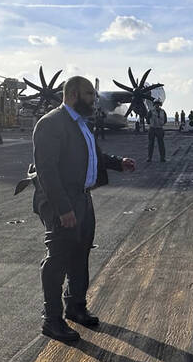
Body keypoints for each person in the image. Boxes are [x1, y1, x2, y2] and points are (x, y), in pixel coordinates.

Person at [32, 75, 135, 343]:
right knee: (57, 260)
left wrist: (117, 162)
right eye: (90, 94)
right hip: (62, 201)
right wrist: (63, 208)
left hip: (83, 198)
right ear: (73, 95)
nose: (95, 99)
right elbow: (47, 171)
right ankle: (51, 319)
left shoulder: (81, 124)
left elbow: (92, 155)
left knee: (80, 254)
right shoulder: (51, 124)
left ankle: (75, 307)